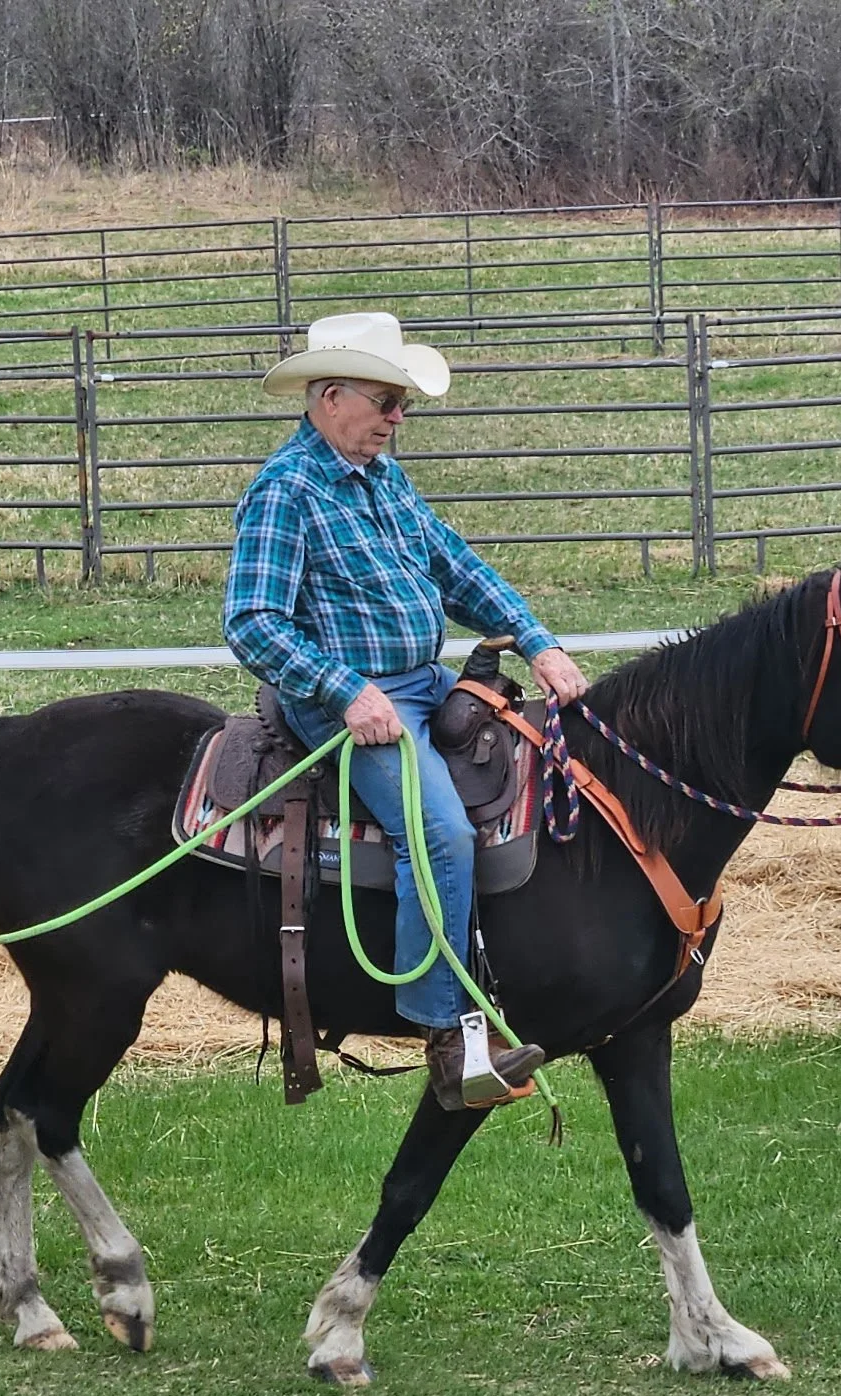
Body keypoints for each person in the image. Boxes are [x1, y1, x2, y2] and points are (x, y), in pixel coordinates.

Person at [223, 311, 589, 1111]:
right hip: (349, 699)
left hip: (420, 682)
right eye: (386, 402)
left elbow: (456, 567)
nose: (397, 419)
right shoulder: (285, 492)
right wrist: (345, 691)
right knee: (443, 832)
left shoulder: (384, 481)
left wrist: (539, 642)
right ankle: (450, 1039)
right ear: (330, 398)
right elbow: (251, 621)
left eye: (403, 406)